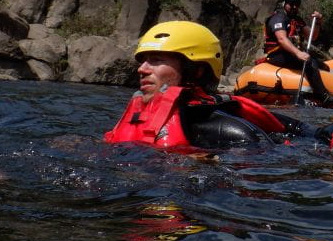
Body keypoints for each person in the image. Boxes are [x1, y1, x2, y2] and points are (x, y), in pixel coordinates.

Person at [105, 20, 291, 149]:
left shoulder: (226, 130)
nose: (142, 69)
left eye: (156, 60)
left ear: (196, 70)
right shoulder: (139, 115)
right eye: (143, 60)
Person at [263, 0, 333, 104]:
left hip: (290, 55)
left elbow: (313, 36)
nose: (294, 7)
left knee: (322, 66)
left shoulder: (297, 20)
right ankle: (324, 97)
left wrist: (317, 23)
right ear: (284, 4)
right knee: (309, 63)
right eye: (291, 4)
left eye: (297, 4)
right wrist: (298, 53)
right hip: (276, 55)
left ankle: (326, 90)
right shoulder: (278, 18)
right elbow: (282, 39)